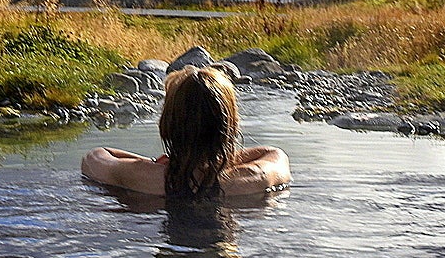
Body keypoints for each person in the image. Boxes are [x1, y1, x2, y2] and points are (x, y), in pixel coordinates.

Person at [81, 66, 290, 199]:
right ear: (231, 125)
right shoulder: (256, 176)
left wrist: (158, 162)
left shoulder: (139, 174)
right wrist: (218, 162)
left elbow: (94, 157)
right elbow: (274, 153)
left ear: (167, 124)